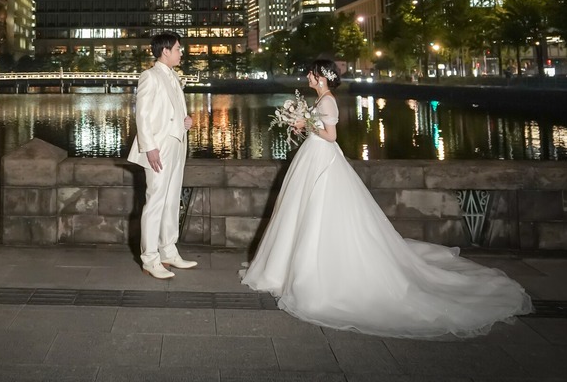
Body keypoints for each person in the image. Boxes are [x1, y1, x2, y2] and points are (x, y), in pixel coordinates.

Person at [241, 58, 533, 338]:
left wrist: (307, 125)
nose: (307, 77)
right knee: (300, 211)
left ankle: (316, 271)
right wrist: (303, 125)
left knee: (318, 212)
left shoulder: (327, 100)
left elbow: (331, 136)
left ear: (321, 77)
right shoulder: (321, 100)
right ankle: (288, 267)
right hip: (313, 158)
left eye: (311, 74)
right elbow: (320, 133)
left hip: (323, 160)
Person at [127, 31, 196, 279]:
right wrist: (150, 147)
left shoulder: (174, 76)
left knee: (171, 199)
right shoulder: (150, 76)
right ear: (165, 51)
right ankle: (150, 258)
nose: (181, 52)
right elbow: (142, 115)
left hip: (177, 144)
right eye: (178, 48)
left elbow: (170, 110)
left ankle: (168, 251)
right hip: (159, 146)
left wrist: (184, 121)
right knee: (155, 201)